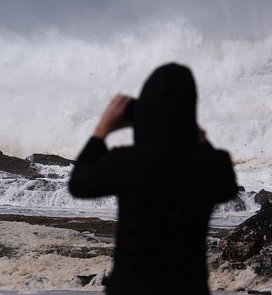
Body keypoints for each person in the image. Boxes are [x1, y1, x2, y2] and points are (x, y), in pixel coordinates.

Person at [69, 63, 238, 295]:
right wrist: (195, 134)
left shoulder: (127, 161)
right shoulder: (213, 163)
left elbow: (78, 184)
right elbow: (227, 189)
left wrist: (102, 130)